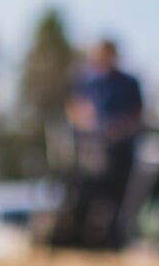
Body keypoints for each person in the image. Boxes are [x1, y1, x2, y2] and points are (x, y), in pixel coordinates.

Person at [61, 39, 143, 248]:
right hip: (91, 151)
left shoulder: (129, 83)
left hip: (121, 150)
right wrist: (87, 123)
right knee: (84, 196)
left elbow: (137, 114)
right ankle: (79, 241)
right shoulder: (86, 81)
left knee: (117, 201)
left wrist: (121, 129)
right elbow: (74, 109)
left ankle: (114, 243)